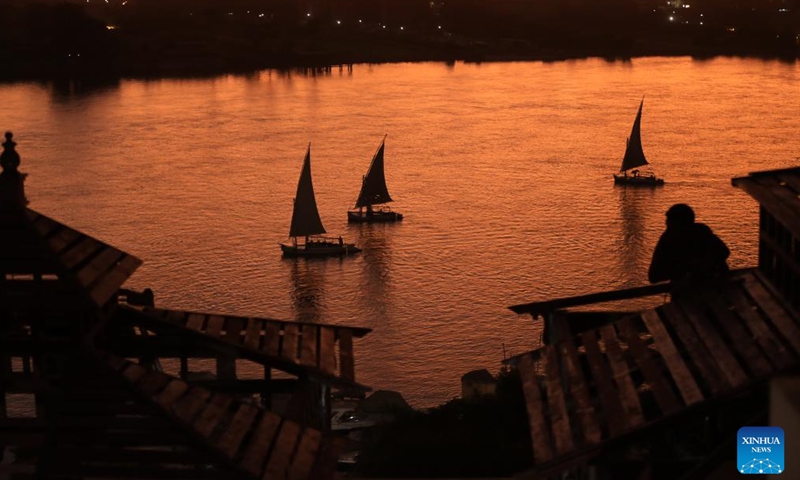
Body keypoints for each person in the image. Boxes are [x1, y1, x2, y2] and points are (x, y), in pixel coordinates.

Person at [648, 203, 730, 284]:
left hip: (710, 286)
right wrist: (687, 268)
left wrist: (696, 266)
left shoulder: (701, 232)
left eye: (670, 221)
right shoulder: (667, 239)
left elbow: (724, 252)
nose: (666, 223)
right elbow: (653, 276)